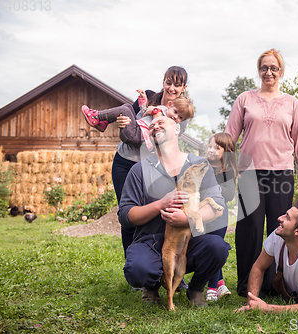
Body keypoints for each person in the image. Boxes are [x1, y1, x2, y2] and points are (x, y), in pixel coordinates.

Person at [118, 115, 231, 306]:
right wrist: (160, 204)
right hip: (150, 241)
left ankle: (196, 288)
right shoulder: (139, 170)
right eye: (152, 126)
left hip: (189, 241)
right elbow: (126, 216)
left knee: (217, 248)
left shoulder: (199, 165)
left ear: (177, 129)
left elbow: (218, 206)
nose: (155, 126)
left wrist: (188, 220)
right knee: (138, 270)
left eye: (161, 122)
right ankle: (151, 286)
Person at [225, 48, 298, 298]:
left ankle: (272, 284)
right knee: (250, 229)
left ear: (281, 72)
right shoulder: (245, 99)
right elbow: (230, 137)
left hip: (282, 173)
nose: (269, 72)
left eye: (274, 68)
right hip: (250, 172)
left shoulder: (292, 103)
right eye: (264, 67)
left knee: (280, 228)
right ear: (259, 70)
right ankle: (246, 285)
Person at [102, 66, 189, 259]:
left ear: (183, 87)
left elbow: (166, 140)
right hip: (124, 162)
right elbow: (129, 117)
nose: (171, 88)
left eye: (177, 85)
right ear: (163, 81)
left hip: (150, 167)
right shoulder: (149, 98)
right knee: (127, 212)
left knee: (155, 214)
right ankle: (132, 264)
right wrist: (123, 123)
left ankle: (155, 261)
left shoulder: (180, 112)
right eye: (169, 82)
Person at [235, 200, 298, 314]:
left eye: (287, 217)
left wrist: (267, 308)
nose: (280, 218)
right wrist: (252, 302)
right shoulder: (278, 236)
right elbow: (258, 267)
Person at [81, 91, 194, 150]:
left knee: (125, 110)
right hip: (135, 131)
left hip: (136, 137)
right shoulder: (162, 109)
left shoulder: (170, 125)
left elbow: (159, 129)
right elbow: (144, 112)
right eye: (175, 112)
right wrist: (143, 100)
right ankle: (103, 122)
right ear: (169, 105)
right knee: (128, 107)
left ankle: (97, 116)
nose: (176, 117)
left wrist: (155, 113)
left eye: (180, 117)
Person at [204, 133, 238, 301]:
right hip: (204, 215)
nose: (211, 150)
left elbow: (229, 194)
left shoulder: (228, 171)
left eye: (216, 148)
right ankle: (219, 283)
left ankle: (211, 288)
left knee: (215, 248)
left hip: (219, 217)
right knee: (212, 250)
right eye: (210, 146)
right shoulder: (203, 166)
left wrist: (211, 188)